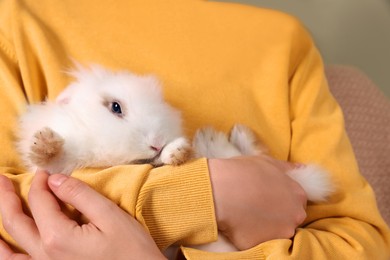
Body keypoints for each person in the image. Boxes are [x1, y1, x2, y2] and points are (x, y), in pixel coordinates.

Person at [0, 0, 389, 259]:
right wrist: (201, 196)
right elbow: (14, 210)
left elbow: (360, 246)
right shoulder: (16, 20)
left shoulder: (282, 41)